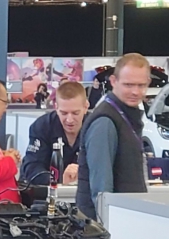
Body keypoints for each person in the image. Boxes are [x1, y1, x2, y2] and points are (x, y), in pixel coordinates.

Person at [76, 53, 150, 220]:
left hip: (124, 219)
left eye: (141, 85)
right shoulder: (105, 122)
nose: (135, 91)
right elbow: (102, 192)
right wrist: (106, 228)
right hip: (106, 226)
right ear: (113, 81)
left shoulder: (124, 116)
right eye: (128, 85)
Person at [21, 82, 90, 185]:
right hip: (47, 190)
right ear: (56, 108)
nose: (69, 120)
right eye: (64, 113)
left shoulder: (96, 127)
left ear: (86, 107)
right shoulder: (42, 126)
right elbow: (32, 167)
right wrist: (58, 181)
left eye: (75, 113)